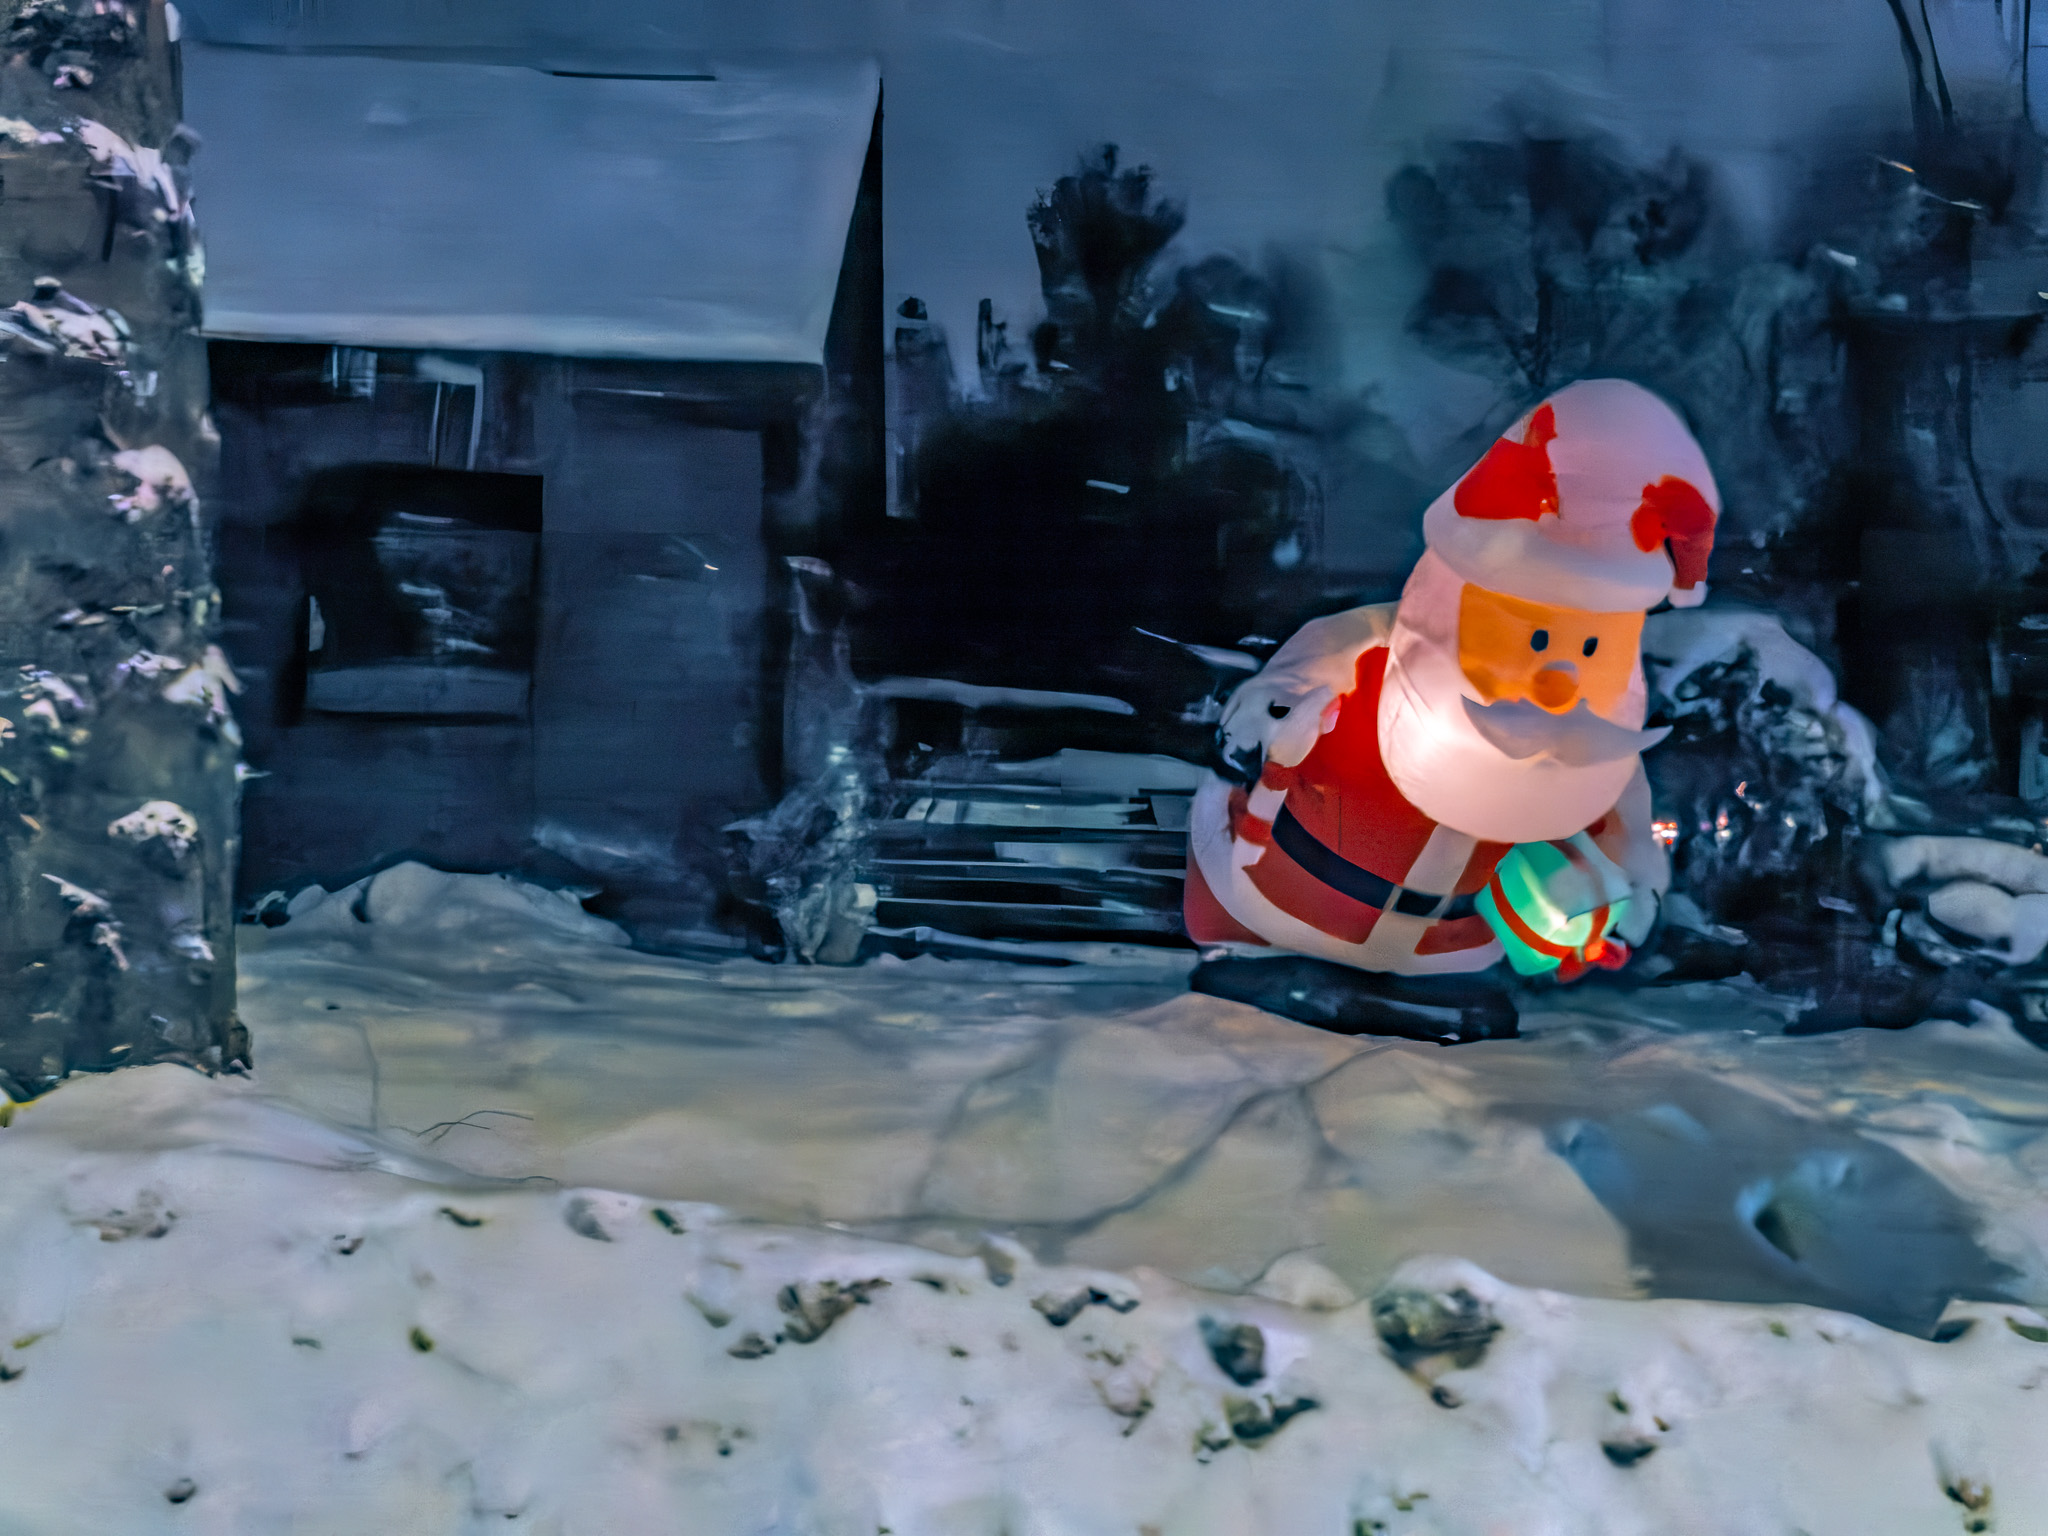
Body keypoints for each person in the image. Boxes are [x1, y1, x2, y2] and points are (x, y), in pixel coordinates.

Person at [1185, 378, 1719, 1042]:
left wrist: (1625, 897)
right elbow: (1276, 703)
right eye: (1537, 640)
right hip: (1279, 913)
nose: (1558, 682)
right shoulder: (1366, 651)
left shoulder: (1594, 744)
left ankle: (1404, 993)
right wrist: (1268, 720)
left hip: (1445, 954)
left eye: (1590, 648)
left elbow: (1626, 833)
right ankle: (1264, 969)